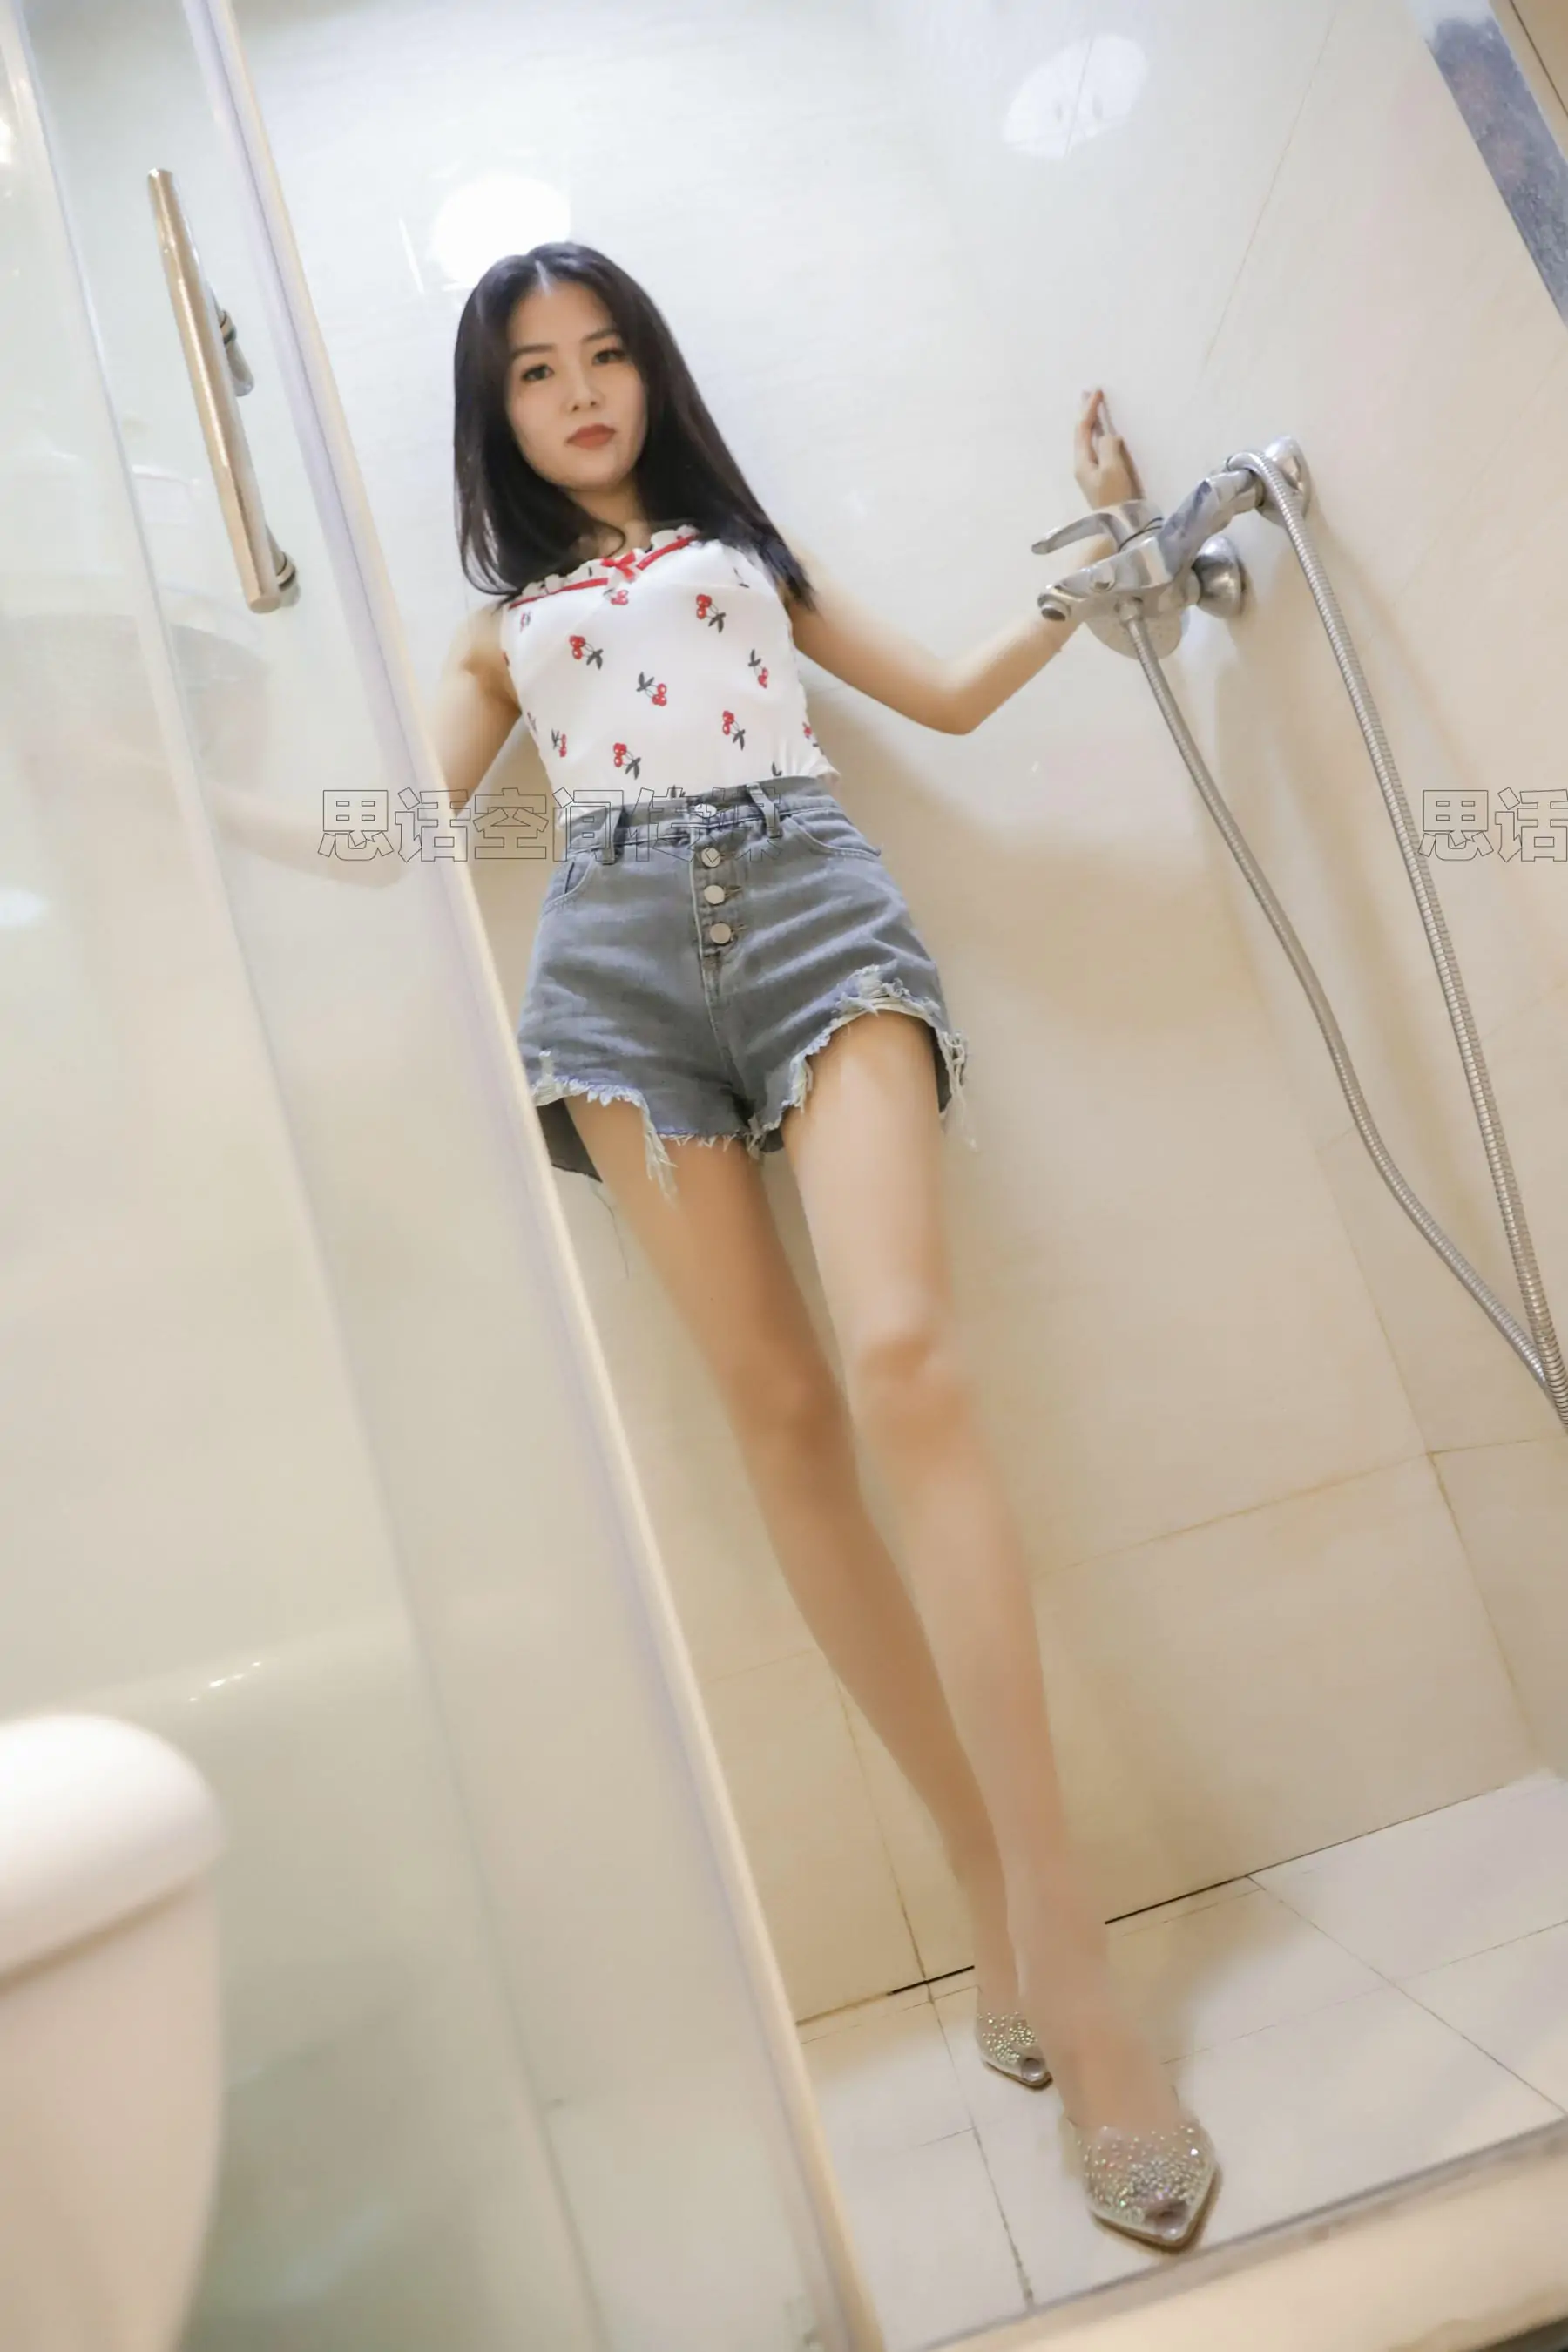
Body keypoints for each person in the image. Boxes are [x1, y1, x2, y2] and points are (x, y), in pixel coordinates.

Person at [430, 240, 1217, 2252]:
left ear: (653, 373)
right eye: (537, 372)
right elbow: (402, 830)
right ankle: (978, 1869)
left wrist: (1104, 553)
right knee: (784, 1423)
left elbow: (939, 695)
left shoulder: (746, 556)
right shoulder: (500, 631)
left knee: (902, 1366)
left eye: (608, 353)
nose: (581, 392)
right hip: (613, 979)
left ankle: (1072, 1957)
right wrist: (170, 801)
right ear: (496, 414)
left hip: (813, 914)